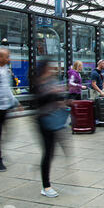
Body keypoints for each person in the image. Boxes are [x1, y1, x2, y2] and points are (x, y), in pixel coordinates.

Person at [33, 60, 67, 198]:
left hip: (56, 119)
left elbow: (58, 97)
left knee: (53, 151)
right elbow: (40, 100)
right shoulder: (39, 83)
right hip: (44, 121)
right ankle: (46, 186)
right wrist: (53, 92)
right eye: (50, 68)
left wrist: (61, 98)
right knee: (48, 152)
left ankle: (43, 173)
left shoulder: (52, 81)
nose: (53, 70)